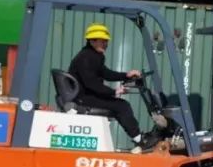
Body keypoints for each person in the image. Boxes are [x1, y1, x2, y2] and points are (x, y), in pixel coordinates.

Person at [68, 23, 160, 152]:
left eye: (106, 41)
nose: (106, 44)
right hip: (84, 98)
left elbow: (106, 74)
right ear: (92, 41)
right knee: (122, 106)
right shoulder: (86, 58)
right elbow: (92, 84)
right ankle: (140, 140)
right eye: (102, 41)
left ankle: (138, 138)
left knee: (120, 105)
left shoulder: (93, 55)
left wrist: (126, 75)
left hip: (86, 96)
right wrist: (114, 92)